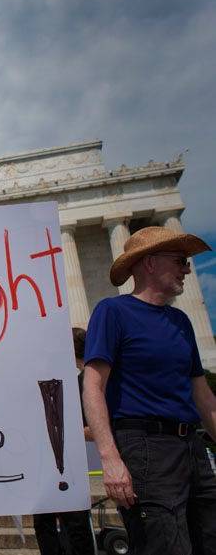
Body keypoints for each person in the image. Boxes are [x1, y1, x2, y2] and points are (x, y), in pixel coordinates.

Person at [83, 226, 216, 555]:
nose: (187, 269)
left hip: (192, 445)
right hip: (145, 447)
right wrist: (110, 458)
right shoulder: (113, 312)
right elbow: (93, 385)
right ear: (150, 263)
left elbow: (202, 395)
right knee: (165, 544)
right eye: (180, 261)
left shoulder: (181, 321)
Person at [33, 327, 95, 555]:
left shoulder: (86, 380)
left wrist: (64, 431)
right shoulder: (72, 380)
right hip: (52, 466)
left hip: (67, 467)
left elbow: (95, 429)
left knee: (73, 527)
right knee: (46, 523)